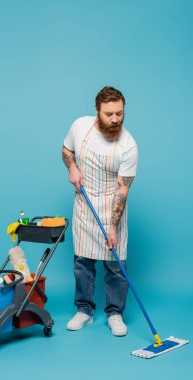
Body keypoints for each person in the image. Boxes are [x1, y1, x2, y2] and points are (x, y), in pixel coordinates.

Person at [62, 86, 138, 336]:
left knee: (115, 265)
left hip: (111, 205)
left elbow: (122, 190)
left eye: (119, 113)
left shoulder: (128, 146)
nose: (115, 119)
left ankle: (115, 313)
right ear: (97, 111)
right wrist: (72, 167)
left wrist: (113, 227)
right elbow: (66, 151)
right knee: (83, 262)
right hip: (84, 204)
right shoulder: (80, 127)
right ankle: (84, 310)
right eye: (109, 114)